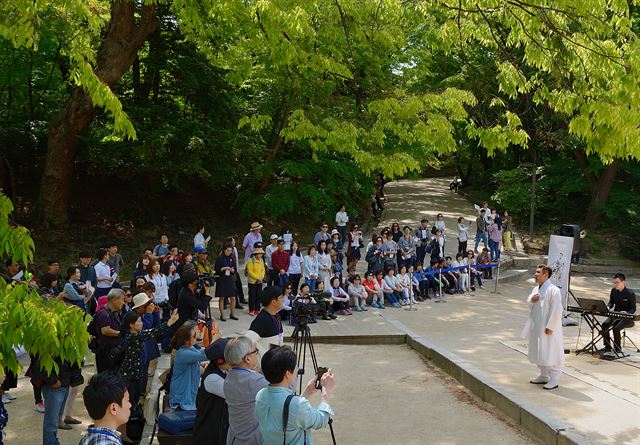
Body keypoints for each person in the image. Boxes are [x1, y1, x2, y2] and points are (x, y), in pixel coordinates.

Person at [256, 346, 335, 445]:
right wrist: (326, 391)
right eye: (295, 366)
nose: (297, 369)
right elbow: (321, 420)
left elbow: (289, 413)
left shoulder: (260, 395)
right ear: (287, 373)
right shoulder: (297, 405)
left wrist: (308, 391)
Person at [522, 264, 564, 390]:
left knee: (549, 350)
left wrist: (551, 326)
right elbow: (530, 302)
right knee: (539, 350)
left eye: (538, 272)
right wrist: (531, 300)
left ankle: (554, 378)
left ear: (546, 275)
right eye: (536, 272)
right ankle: (543, 374)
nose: (536, 274)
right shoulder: (536, 289)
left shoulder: (553, 290)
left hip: (547, 327)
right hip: (537, 325)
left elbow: (557, 310)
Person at [224, 335, 268, 445]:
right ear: (247, 359)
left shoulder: (229, 378)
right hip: (251, 439)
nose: (257, 354)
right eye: (255, 351)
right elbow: (283, 389)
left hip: (235, 438)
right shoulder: (255, 381)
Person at [30, 354, 80, 445]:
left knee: (56, 419)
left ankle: (53, 441)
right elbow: (40, 364)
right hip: (54, 387)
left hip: (64, 383)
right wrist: (52, 380)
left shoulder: (67, 341)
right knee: (51, 422)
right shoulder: (50, 342)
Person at [193, 338, 232, 445]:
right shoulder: (212, 378)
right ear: (220, 360)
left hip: (218, 427)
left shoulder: (224, 370)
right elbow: (235, 394)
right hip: (209, 433)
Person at [78, 372, 131, 445]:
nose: (130, 405)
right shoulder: (108, 443)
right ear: (114, 408)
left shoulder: (87, 438)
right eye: (127, 401)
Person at [170, 323, 210, 411]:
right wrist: (215, 341)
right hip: (182, 392)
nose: (196, 337)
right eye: (193, 336)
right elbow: (203, 355)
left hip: (188, 388)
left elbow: (197, 356)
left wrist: (201, 365)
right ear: (186, 341)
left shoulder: (190, 348)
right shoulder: (183, 353)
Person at [601, 273, 636, 353]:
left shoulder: (630, 293)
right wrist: (608, 307)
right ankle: (607, 346)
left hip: (627, 318)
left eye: (617, 282)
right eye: (614, 282)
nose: (615, 284)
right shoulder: (613, 291)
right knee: (604, 325)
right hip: (615, 315)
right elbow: (611, 302)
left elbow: (633, 309)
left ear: (622, 282)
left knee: (616, 328)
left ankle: (617, 348)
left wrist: (626, 312)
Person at [95, 289, 125, 373]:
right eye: (122, 300)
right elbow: (105, 330)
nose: (123, 303)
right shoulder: (104, 313)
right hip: (106, 353)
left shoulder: (115, 312)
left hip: (114, 351)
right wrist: (121, 333)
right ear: (114, 299)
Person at [215, 243, 239, 321]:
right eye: (227, 250)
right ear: (224, 250)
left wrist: (232, 270)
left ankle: (232, 313)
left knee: (233, 297)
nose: (229, 252)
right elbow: (216, 269)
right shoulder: (220, 258)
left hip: (229, 278)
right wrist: (225, 268)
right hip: (221, 278)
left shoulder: (232, 257)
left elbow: (234, 268)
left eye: (230, 251)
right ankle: (222, 315)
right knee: (222, 297)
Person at [246, 247, 267, 316]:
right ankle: (251, 309)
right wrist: (258, 278)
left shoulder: (261, 260)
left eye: (261, 253)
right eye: (260, 253)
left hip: (260, 281)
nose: (261, 255)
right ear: (256, 254)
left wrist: (261, 277)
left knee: (259, 295)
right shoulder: (250, 261)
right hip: (252, 282)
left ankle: (257, 309)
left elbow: (263, 269)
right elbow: (250, 272)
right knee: (252, 295)